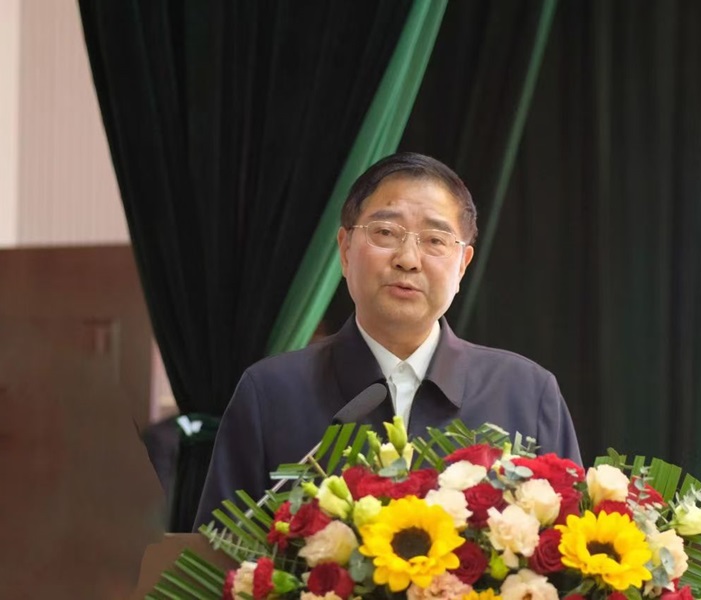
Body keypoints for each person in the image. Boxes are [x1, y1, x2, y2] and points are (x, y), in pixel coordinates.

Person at [193, 152, 580, 530]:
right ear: (345, 250)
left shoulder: (526, 393)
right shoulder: (270, 393)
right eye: (385, 233)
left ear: (462, 265)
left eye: (435, 240)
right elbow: (216, 559)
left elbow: (572, 551)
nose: (408, 259)